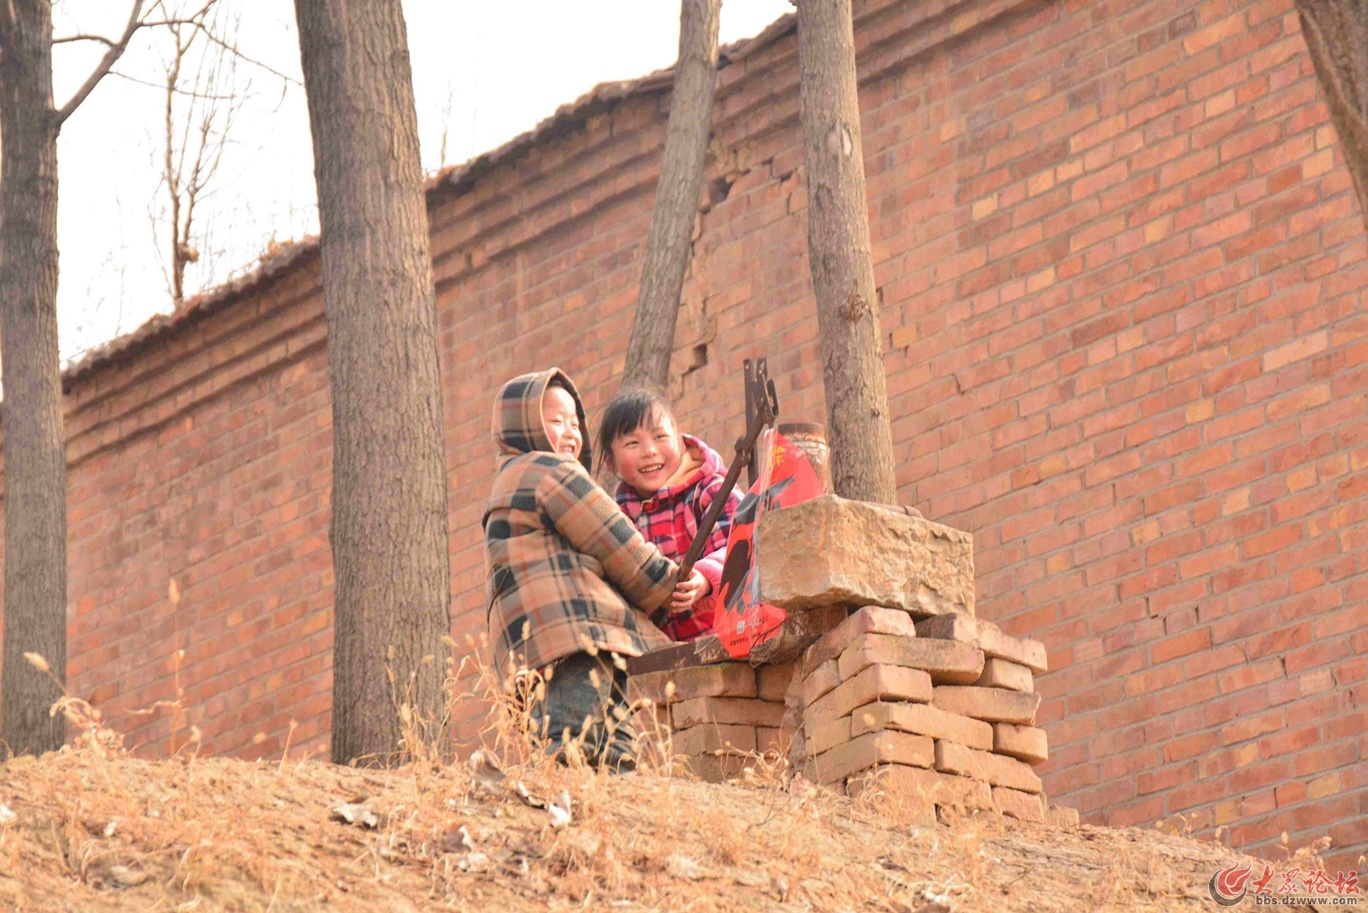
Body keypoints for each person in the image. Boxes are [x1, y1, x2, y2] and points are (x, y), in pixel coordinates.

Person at [484, 367, 677, 771]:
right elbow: (616, 542)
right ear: (523, 427)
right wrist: (666, 583)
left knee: (606, 751)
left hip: (535, 654)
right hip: (575, 641)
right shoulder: (548, 470)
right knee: (582, 750)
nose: (571, 433)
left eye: (576, 422)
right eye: (555, 422)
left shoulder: (505, 485)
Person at [596, 389, 741, 642]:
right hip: (660, 656)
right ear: (611, 463)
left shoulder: (711, 490)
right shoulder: (617, 520)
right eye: (632, 443)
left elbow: (741, 543)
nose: (649, 451)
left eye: (660, 436)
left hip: (725, 639)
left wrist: (706, 578)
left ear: (682, 441)